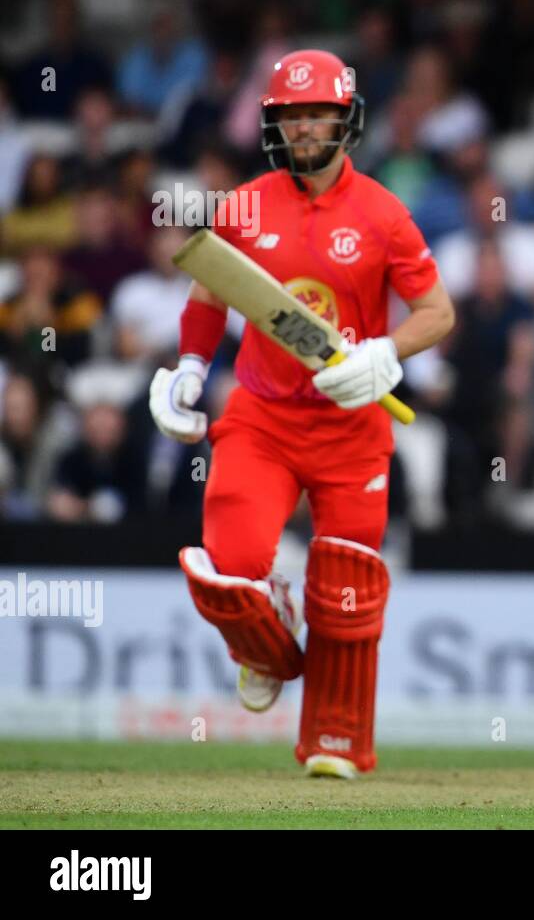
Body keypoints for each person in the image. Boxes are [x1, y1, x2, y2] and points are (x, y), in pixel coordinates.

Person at [147, 49, 455, 778]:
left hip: (351, 429)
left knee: (347, 590)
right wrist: (188, 369)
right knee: (231, 565)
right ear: (273, 124)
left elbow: (438, 312)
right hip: (263, 418)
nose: (304, 127)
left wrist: (386, 353)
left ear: (346, 120)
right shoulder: (245, 204)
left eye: (317, 113)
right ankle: (264, 635)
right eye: (291, 115)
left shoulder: (384, 212)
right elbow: (208, 296)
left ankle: (336, 741)